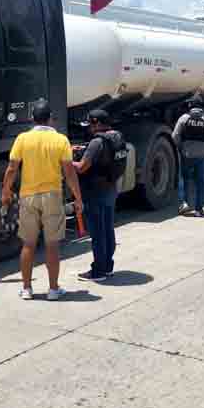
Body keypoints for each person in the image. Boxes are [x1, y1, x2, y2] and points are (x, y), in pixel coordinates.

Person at [1, 99, 83, 301]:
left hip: (28, 196)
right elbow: (69, 172)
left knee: (28, 244)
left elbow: (12, 168)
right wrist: (78, 197)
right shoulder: (60, 140)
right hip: (52, 196)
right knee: (52, 245)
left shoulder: (22, 139)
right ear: (51, 119)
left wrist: (5, 192)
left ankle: (27, 289)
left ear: (32, 119)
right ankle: (53, 289)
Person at [74, 109, 126, 281]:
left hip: (94, 191)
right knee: (108, 229)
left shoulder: (97, 142)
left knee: (97, 233)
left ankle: (98, 271)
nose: (88, 128)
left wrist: (66, 160)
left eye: (90, 124)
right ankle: (108, 266)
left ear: (96, 123)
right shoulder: (117, 136)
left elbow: (82, 167)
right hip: (110, 188)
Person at [173, 96, 204, 216]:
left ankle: (184, 204)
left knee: (184, 179)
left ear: (190, 106)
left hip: (187, 154)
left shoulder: (184, 118)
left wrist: (181, 147)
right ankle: (199, 209)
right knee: (201, 181)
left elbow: (175, 136)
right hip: (203, 155)